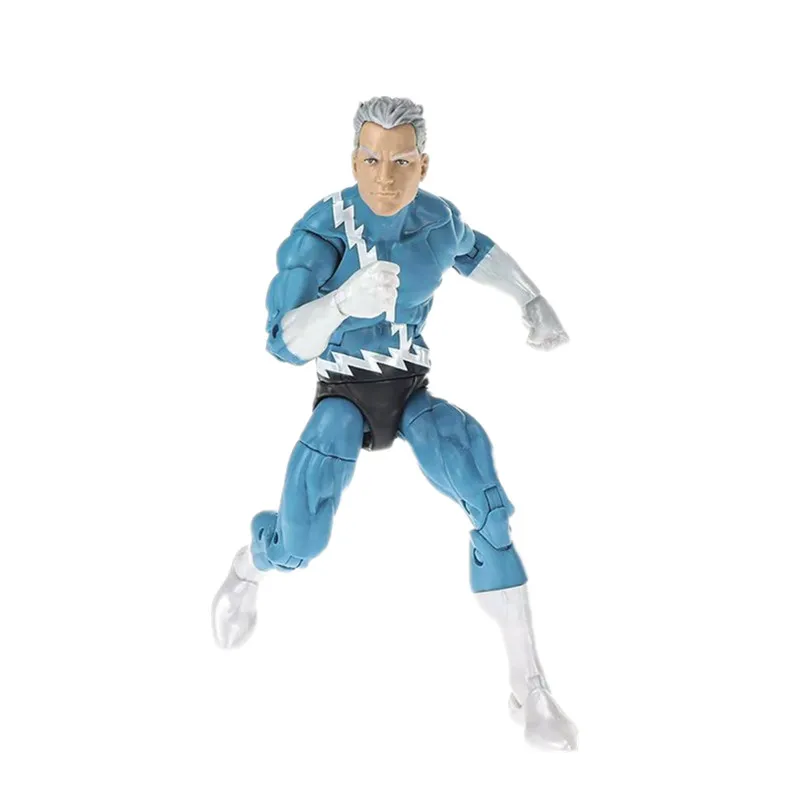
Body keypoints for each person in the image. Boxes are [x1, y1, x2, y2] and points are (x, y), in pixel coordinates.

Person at [212, 96, 577, 750]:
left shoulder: (436, 220)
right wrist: (341, 304)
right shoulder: (321, 233)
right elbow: (281, 342)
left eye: (402, 162)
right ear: (355, 160)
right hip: (343, 396)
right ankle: (249, 568)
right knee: (301, 542)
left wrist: (532, 298)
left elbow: (477, 251)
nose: (386, 177)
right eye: (373, 160)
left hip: (410, 389)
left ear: (422, 165)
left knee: (487, 502)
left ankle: (530, 686)